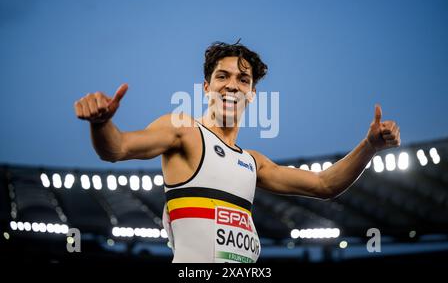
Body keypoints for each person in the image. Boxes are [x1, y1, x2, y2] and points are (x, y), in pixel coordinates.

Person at [74, 41, 401, 263]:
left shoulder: (252, 162)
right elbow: (117, 149)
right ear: (206, 87)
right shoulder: (184, 130)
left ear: (252, 93)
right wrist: (101, 124)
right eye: (222, 76)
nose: (232, 85)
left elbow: (325, 185)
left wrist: (369, 146)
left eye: (243, 79)